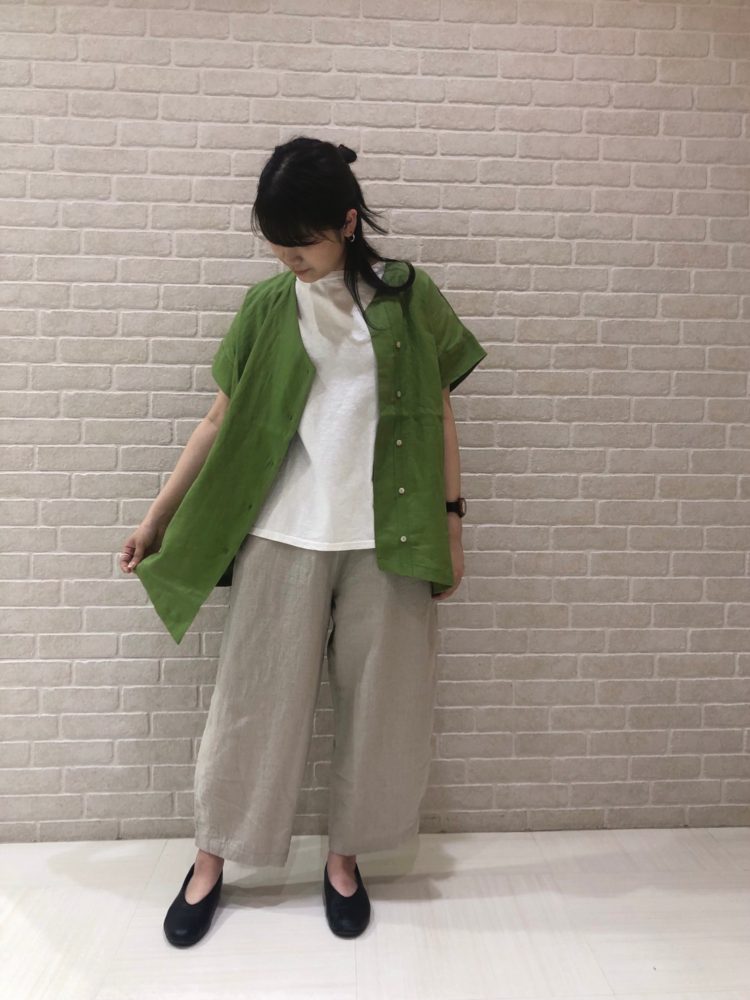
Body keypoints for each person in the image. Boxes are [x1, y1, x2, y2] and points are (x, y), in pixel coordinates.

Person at [119, 136, 487, 947]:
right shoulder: (266, 306)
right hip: (283, 534)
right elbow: (216, 419)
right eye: (277, 245)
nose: (290, 260)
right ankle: (211, 859)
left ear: (348, 223)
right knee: (252, 704)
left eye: (303, 244)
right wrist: (158, 516)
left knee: (380, 706)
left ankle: (344, 861)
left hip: (387, 540)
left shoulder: (409, 298)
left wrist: (454, 524)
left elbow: (441, 413)